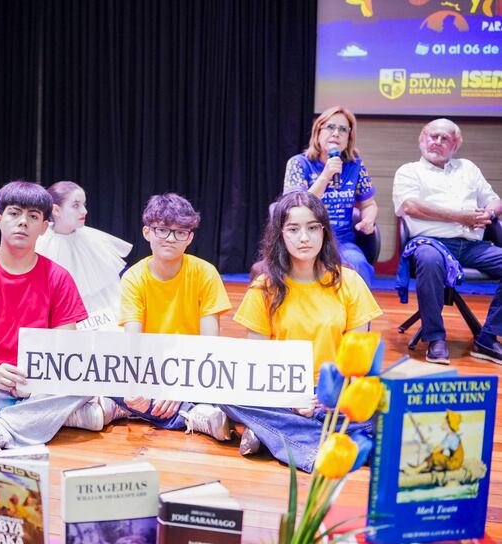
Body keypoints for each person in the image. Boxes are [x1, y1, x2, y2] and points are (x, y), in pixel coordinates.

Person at [223, 192, 382, 471]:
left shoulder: (350, 282)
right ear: (280, 235)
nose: (304, 238)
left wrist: (327, 400)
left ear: (324, 230)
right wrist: (290, 398)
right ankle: (324, 444)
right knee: (224, 394)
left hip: (336, 394)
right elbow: (256, 365)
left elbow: (362, 364)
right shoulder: (264, 287)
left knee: (383, 406)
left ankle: (273, 434)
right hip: (284, 394)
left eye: (312, 228)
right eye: (293, 229)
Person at [0, 181, 105, 452]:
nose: (23, 222)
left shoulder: (58, 277)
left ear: (43, 227)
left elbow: (66, 345)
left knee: (84, 384)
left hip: (40, 380)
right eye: (14, 213)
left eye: (33, 216)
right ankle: (59, 416)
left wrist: (35, 382)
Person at [115, 193, 233, 440]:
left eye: (180, 232)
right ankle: (194, 417)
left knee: (230, 388)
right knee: (115, 384)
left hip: (195, 370)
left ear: (189, 238)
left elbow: (209, 347)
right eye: (162, 230)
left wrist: (181, 386)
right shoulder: (133, 278)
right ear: (147, 232)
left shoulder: (205, 273)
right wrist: (142, 385)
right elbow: (133, 345)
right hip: (150, 369)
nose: (170, 239)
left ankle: (137, 410)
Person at [393, 118, 502, 365]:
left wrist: (490, 213)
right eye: (433, 136)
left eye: (445, 139)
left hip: (473, 245)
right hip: (431, 243)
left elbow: (494, 199)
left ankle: (487, 337)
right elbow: (410, 206)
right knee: (429, 259)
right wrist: (459, 217)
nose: (437, 142)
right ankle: (435, 339)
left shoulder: (468, 168)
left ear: (456, 145)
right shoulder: (409, 171)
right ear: (422, 138)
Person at [283, 106, 378, 287]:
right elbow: (296, 207)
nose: (336, 133)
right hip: (304, 240)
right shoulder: (298, 164)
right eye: (330, 127)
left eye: (343, 129)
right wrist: (326, 176)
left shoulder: (355, 166)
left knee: (358, 264)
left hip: (342, 241)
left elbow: (369, 204)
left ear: (349, 137)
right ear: (318, 132)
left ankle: (358, 316)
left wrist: (368, 219)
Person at [35, 181, 131, 316]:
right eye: (75, 205)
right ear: (56, 210)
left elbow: (110, 291)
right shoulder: (39, 243)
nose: (84, 211)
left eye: (84, 205)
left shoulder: (95, 240)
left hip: (98, 318)